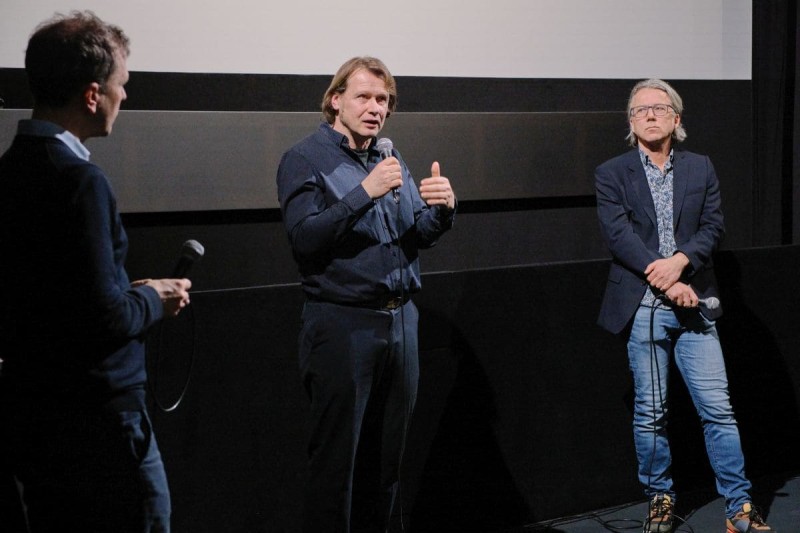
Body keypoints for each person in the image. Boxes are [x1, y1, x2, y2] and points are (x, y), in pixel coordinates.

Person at [0, 11, 191, 532]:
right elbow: (102, 317)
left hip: (35, 417)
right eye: (120, 85)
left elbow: (57, 301)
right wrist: (155, 298)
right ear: (91, 95)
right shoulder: (80, 181)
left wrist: (125, 293)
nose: (124, 96)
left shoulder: (10, 171)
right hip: (102, 422)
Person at [276, 56, 456, 532]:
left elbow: (416, 233)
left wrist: (442, 210)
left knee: (388, 461)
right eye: (364, 97)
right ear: (336, 100)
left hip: (400, 323)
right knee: (337, 466)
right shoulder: (304, 158)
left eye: (383, 100)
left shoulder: (389, 157)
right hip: (343, 325)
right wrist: (364, 193)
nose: (376, 108)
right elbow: (304, 239)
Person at [595, 78, 775, 533]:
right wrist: (666, 280)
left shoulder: (700, 167)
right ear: (630, 122)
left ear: (676, 118)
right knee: (650, 412)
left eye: (658, 108)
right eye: (640, 110)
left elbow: (713, 227)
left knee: (718, 410)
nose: (649, 115)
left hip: (697, 306)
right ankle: (659, 498)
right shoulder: (611, 173)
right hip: (642, 307)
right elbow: (619, 237)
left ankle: (739, 506)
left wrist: (679, 263)